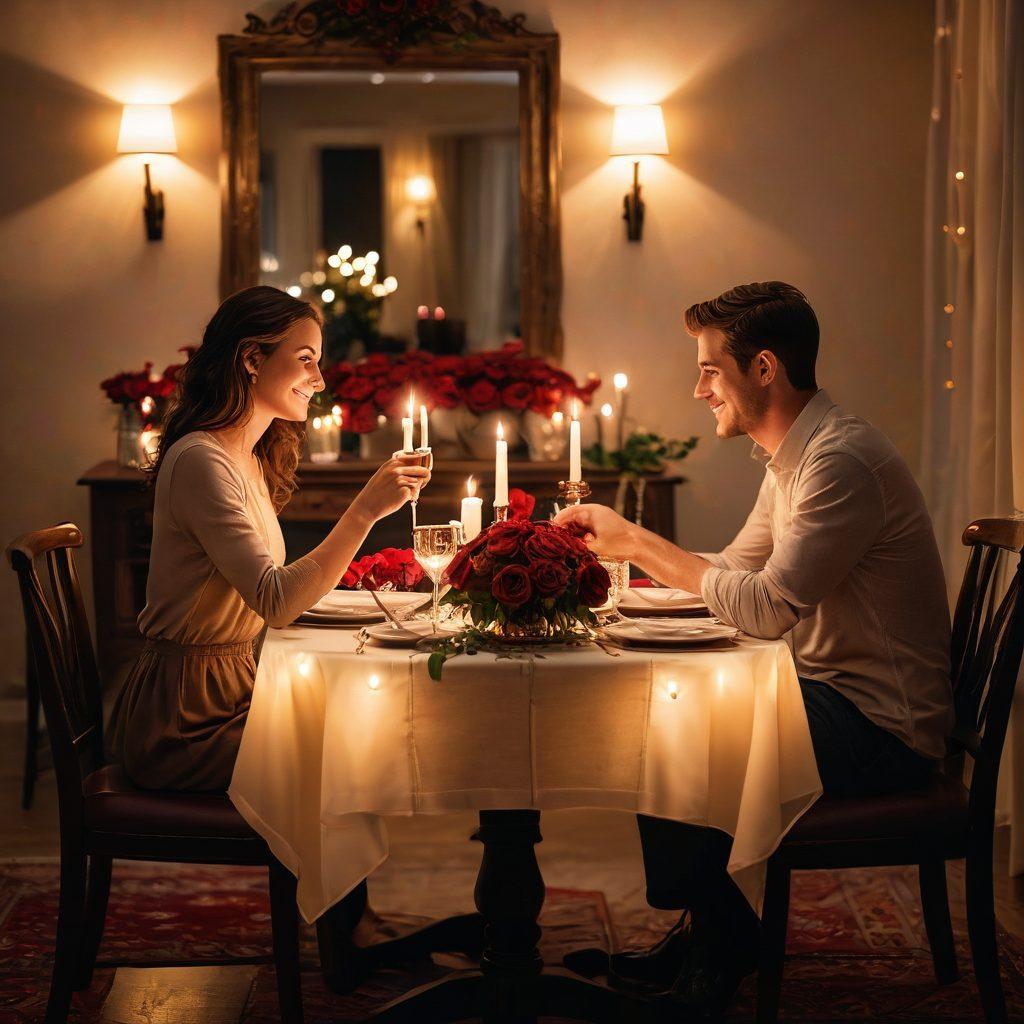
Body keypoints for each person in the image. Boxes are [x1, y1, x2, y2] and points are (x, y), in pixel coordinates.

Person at [556, 281, 953, 1012]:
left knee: (678, 719)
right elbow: (735, 571)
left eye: (710, 369)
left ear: (763, 369)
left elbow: (765, 610)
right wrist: (631, 584)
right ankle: (713, 929)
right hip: (834, 698)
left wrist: (638, 543)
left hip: (884, 727)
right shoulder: (793, 459)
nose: (698, 387)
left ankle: (718, 946)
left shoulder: (840, 462)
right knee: (673, 704)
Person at [107, 285, 430, 791]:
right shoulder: (200, 460)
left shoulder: (245, 457)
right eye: (306, 360)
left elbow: (273, 595)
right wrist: (366, 510)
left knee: (367, 729)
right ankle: (325, 873)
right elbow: (275, 600)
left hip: (233, 694)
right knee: (357, 749)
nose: (319, 380)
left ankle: (326, 873)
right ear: (252, 359)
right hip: (183, 721)